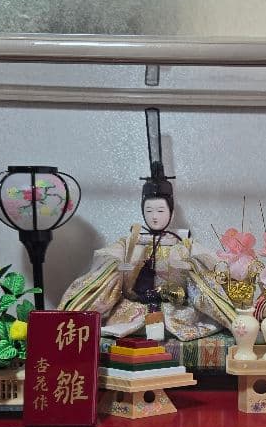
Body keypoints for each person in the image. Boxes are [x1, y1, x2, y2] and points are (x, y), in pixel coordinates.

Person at [58, 110, 233, 341]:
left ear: (171, 212)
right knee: (119, 308)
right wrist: (116, 264)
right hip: (134, 307)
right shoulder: (132, 240)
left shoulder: (183, 241)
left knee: (197, 291)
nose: (155, 217)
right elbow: (108, 254)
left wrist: (196, 264)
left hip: (175, 309)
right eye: (149, 211)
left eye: (160, 211)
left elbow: (209, 259)